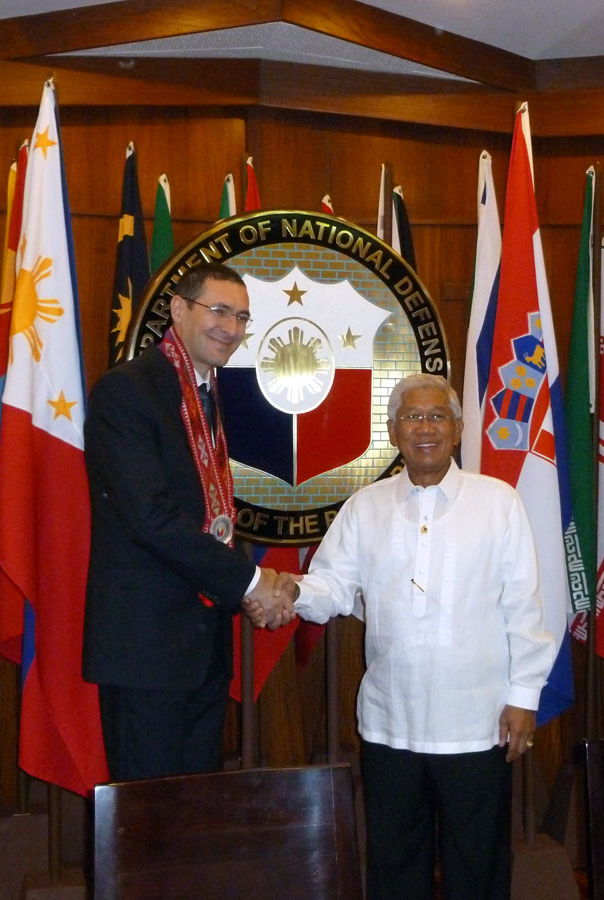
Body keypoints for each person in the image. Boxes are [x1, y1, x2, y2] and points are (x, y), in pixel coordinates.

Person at [247, 373, 556, 900]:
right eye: (412, 417)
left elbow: (525, 607)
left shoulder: (498, 502)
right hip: (391, 725)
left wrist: (525, 698)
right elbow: (333, 585)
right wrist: (291, 592)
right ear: (393, 432)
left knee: (478, 871)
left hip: (477, 725)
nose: (425, 428)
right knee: (394, 871)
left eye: (437, 416)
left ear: (458, 428)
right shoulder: (366, 506)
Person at [83, 261, 285, 781]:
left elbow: (210, 513)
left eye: (242, 317)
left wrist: (241, 590)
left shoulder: (209, 393)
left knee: (196, 811)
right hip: (146, 652)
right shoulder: (127, 391)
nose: (231, 328)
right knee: (148, 815)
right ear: (178, 309)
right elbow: (150, 516)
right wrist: (251, 582)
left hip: (203, 649)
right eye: (219, 310)